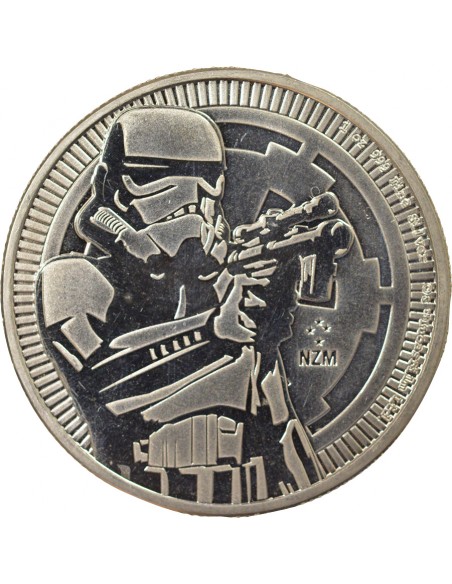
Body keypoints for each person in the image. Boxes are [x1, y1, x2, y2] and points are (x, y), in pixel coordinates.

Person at [37, 107, 353, 504]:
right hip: (131, 495)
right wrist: (213, 330)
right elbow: (102, 382)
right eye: (152, 179)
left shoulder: (229, 286)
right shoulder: (74, 279)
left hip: (251, 497)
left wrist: (265, 339)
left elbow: (280, 425)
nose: (193, 199)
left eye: (208, 179)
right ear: (115, 189)